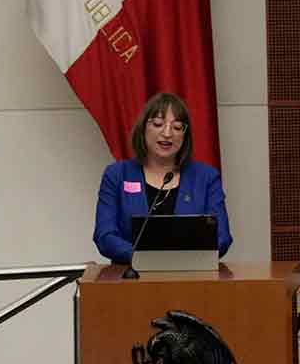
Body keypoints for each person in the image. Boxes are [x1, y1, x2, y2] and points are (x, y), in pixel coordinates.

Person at [93, 93, 232, 263]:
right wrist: (142, 259)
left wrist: (188, 259)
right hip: (131, 278)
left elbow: (222, 237)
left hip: (191, 277)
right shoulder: (117, 175)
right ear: (143, 128)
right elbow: (104, 234)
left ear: (184, 135)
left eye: (177, 127)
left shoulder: (206, 177)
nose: (167, 133)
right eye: (158, 124)